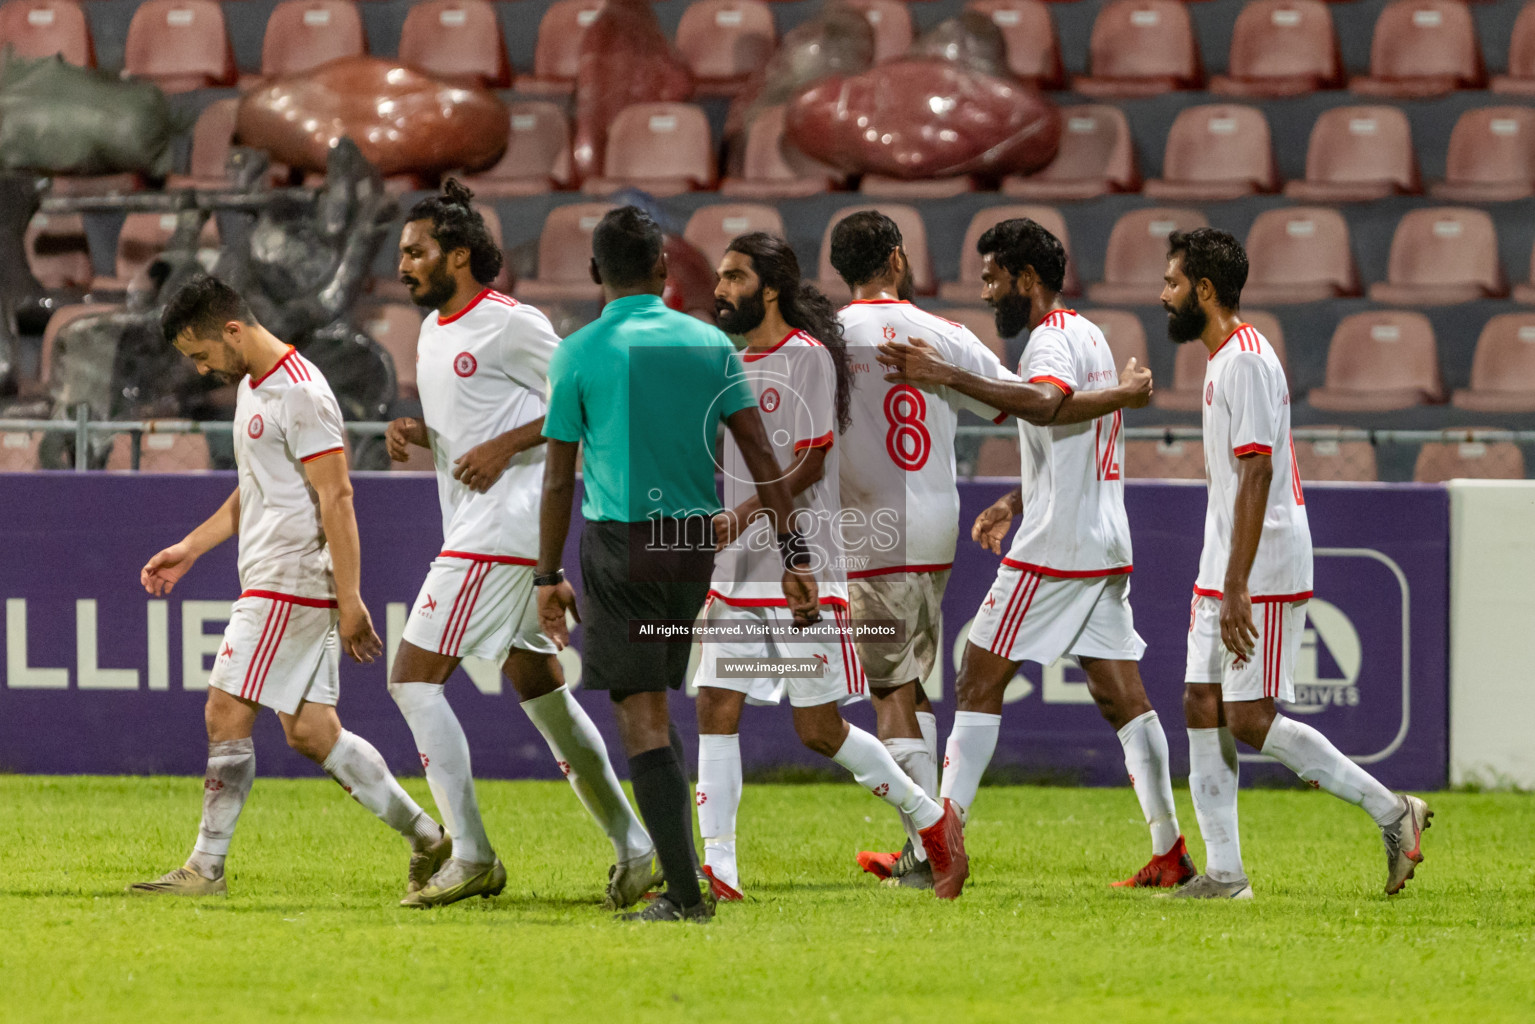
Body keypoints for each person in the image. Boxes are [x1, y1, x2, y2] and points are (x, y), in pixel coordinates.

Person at [533, 206, 828, 922]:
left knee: (643, 718)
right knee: (661, 706)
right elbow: (762, 458)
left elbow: (556, 479)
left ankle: (686, 895)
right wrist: (794, 555)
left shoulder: (577, 352)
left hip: (622, 544)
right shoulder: (709, 344)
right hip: (694, 547)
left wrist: (546, 576)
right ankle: (685, 880)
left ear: (596, 273)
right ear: (665, 269)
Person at [879, 217, 1193, 889]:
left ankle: (938, 842)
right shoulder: (1088, 334)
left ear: (1026, 277)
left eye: (993, 278)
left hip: (1058, 546)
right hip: (1100, 538)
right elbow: (1072, 431)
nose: (988, 293)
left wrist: (941, 371)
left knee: (977, 675)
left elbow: (1047, 404)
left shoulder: (1050, 340)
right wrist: (1013, 501)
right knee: (1120, 698)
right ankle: (1168, 852)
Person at [385, 181, 659, 909]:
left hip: (499, 531)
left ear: (461, 254)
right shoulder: (436, 329)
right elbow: (478, 419)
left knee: (411, 679)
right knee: (543, 695)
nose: (404, 265)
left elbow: (591, 394)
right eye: (402, 254)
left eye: (416, 252)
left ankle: (470, 854)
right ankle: (635, 850)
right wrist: (427, 435)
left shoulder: (512, 323)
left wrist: (507, 446)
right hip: (484, 529)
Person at [131, 274, 446, 897]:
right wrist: (190, 548)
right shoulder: (255, 386)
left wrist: (351, 598)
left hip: (290, 580)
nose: (199, 371)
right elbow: (255, 490)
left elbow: (338, 495)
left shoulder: (301, 393)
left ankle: (205, 867)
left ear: (232, 329)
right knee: (311, 731)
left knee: (225, 710)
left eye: (200, 355)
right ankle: (431, 840)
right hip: (282, 578)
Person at [690, 232, 968, 901]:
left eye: (733, 276)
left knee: (818, 730)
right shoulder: (732, 363)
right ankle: (719, 872)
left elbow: (811, 461)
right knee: (714, 707)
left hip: (801, 565)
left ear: (770, 288)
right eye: (720, 277)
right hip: (739, 573)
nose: (720, 288)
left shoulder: (809, 357)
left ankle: (932, 822)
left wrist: (750, 523)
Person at [1159, 228, 1432, 899]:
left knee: (1248, 718)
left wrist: (1235, 585)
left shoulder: (1247, 361)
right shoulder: (1222, 359)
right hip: (1222, 557)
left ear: (1202, 290)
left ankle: (1392, 811)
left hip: (1262, 564)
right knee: (1200, 702)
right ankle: (1223, 876)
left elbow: (1255, 475)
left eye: (1170, 284)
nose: (1161, 296)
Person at [827, 210, 1017, 889]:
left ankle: (927, 846)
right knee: (910, 677)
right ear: (897, 260)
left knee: (889, 688)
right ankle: (927, 836)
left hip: (868, 529)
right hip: (935, 521)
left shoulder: (825, 338)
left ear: (841, 270)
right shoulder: (946, 334)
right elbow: (1012, 401)